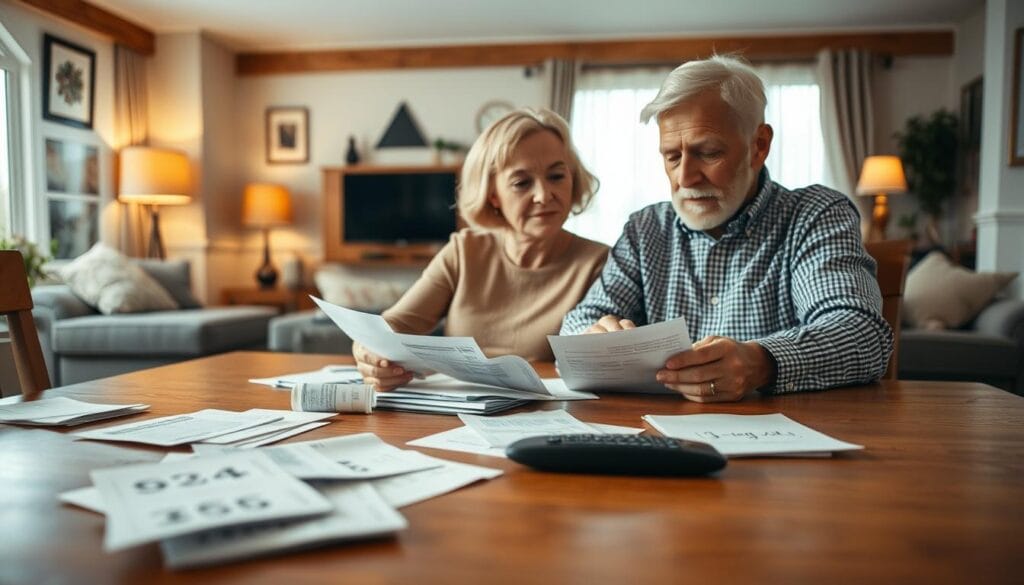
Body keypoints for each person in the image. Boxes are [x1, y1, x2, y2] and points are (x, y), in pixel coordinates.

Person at [560, 55, 892, 402]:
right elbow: (582, 319)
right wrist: (593, 335)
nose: (685, 178)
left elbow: (862, 334)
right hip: (660, 439)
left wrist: (762, 362)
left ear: (759, 146)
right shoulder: (645, 229)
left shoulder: (815, 216)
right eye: (672, 157)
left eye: (708, 153)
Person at [355, 107, 609, 390]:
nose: (543, 195)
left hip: (547, 415)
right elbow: (395, 324)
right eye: (522, 183)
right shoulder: (465, 251)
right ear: (493, 195)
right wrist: (368, 351)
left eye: (557, 176)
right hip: (457, 413)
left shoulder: (599, 263)